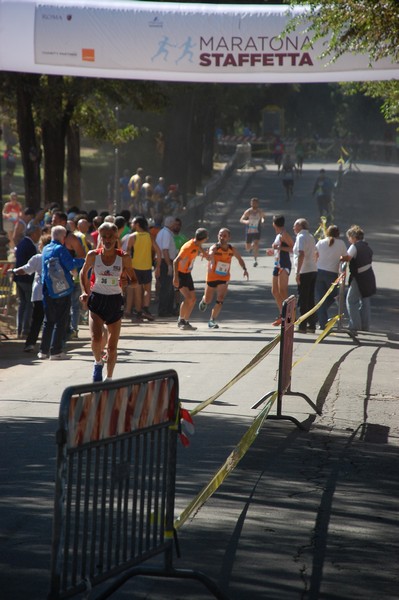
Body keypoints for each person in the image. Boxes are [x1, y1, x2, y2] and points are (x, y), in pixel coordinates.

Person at [79, 222, 136, 382]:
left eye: (111, 236)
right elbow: (83, 273)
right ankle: (98, 363)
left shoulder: (124, 258)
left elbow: (135, 280)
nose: (107, 239)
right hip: (97, 299)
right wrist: (85, 292)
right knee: (96, 338)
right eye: (104, 236)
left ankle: (109, 378)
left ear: (116, 237)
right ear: (100, 237)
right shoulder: (93, 255)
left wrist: (128, 282)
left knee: (112, 347)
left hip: (115, 301)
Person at [38, 226, 83, 360]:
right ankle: (56, 351)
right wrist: (84, 260)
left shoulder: (45, 249)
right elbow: (70, 265)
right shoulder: (61, 249)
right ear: (63, 237)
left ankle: (43, 351)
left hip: (48, 289)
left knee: (48, 321)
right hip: (62, 290)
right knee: (61, 320)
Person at [198, 228, 248, 329]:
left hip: (224, 277)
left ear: (229, 237)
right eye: (220, 235)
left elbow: (239, 258)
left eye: (224, 236)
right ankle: (204, 300)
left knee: (220, 299)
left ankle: (212, 320)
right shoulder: (215, 247)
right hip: (212, 277)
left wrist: (244, 269)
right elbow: (210, 254)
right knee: (208, 300)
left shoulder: (232, 249)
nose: (222, 238)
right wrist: (208, 256)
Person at [12, 232, 52, 352]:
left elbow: (25, 270)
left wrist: (13, 270)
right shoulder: (55, 258)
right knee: (50, 320)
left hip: (39, 293)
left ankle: (30, 343)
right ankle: (50, 344)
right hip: (53, 293)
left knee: (36, 320)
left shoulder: (37, 258)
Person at [341, 225, 376, 333]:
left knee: (351, 300)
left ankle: (355, 325)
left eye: (349, 237)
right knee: (364, 300)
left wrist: (340, 257)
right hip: (368, 275)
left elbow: (348, 257)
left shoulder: (354, 246)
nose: (348, 240)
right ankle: (365, 326)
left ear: (353, 237)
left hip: (359, 277)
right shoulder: (366, 246)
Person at [125, 215, 161, 322]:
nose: (131, 225)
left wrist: (126, 267)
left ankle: (139, 312)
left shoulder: (132, 237)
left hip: (135, 267)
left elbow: (127, 252)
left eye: (133, 223)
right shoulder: (149, 236)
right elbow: (158, 252)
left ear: (137, 225)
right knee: (147, 290)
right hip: (147, 267)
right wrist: (158, 266)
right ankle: (146, 309)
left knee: (137, 291)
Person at [173, 228, 209, 330]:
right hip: (180, 274)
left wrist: (205, 255)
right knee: (188, 298)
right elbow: (175, 261)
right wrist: (175, 277)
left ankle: (186, 321)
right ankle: (181, 320)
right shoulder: (188, 246)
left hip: (187, 274)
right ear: (204, 238)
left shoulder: (197, 244)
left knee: (193, 299)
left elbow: (199, 248)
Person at [315, 225, 347, 330]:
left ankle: (321, 320)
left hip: (319, 272)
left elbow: (315, 254)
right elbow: (346, 257)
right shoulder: (341, 243)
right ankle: (320, 318)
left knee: (321, 298)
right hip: (332, 274)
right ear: (338, 234)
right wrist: (339, 258)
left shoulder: (321, 242)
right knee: (335, 295)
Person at [13, 221, 42, 339]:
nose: (39, 236)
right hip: (26, 279)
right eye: (38, 233)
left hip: (19, 278)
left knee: (22, 304)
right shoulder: (30, 246)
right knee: (28, 305)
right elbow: (30, 265)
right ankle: (25, 330)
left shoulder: (21, 243)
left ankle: (19, 329)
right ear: (34, 233)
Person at [267, 215, 294, 326]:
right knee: (274, 291)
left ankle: (290, 316)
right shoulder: (278, 235)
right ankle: (282, 314)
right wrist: (272, 252)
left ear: (274, 224)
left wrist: (279, 248)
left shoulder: (284, 234)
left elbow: (293, 248)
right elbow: (279, 249)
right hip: (277, 264)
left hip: (284, 264)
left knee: (283, 290)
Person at [293, 218, 317, 333]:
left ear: (299, 226)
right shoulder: (311, 237)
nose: (293, 228)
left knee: (303, 298)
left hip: (304, 270)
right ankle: (312, 324)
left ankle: (302, 325)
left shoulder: (301, 237)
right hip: (312, 269)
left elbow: (301, 253)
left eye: (295, 226)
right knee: (310, 298)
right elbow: (317, 253)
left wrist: (298, 272)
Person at [155, 215, 178, 317]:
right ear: (172, 224)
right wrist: (169, 265)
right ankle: (163, 309)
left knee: (169, 287)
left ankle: (169, 308)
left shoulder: (165, 232)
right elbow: (165, 250)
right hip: (166, 262)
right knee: (166, 287)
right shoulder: (166, 234)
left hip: (166, 261)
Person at [239, 197, 266, 267]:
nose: (254, 204)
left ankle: (255, 260)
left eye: (255, 203)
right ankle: (250, 248)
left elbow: (263, 217)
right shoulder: (248, 211)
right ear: (251, 203)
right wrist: (246, 221)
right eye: (253, 203)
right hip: (249, 230)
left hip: (257, 229)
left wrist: (262, 221)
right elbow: (241, 219)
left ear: (258, 204)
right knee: (247, 248)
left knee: (256, 244)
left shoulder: (259, 211)